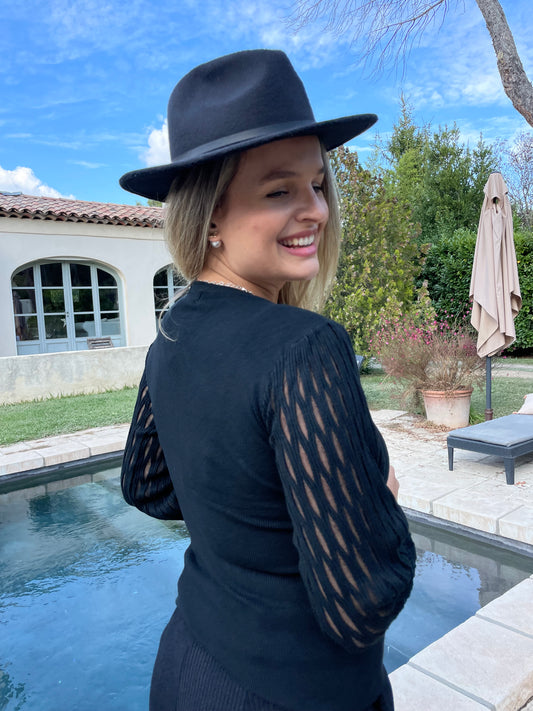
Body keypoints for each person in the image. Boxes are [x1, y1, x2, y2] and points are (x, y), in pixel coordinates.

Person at [120, 49, 416, 711]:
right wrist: (379, 502)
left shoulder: (174, 330)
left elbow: (147, 486)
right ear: (210, 216)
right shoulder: (304, 346)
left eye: (317, 184)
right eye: (279, 191)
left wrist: (244, 515)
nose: (316, 209)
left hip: (189, 665)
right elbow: (360, 604)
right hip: (293, 690)